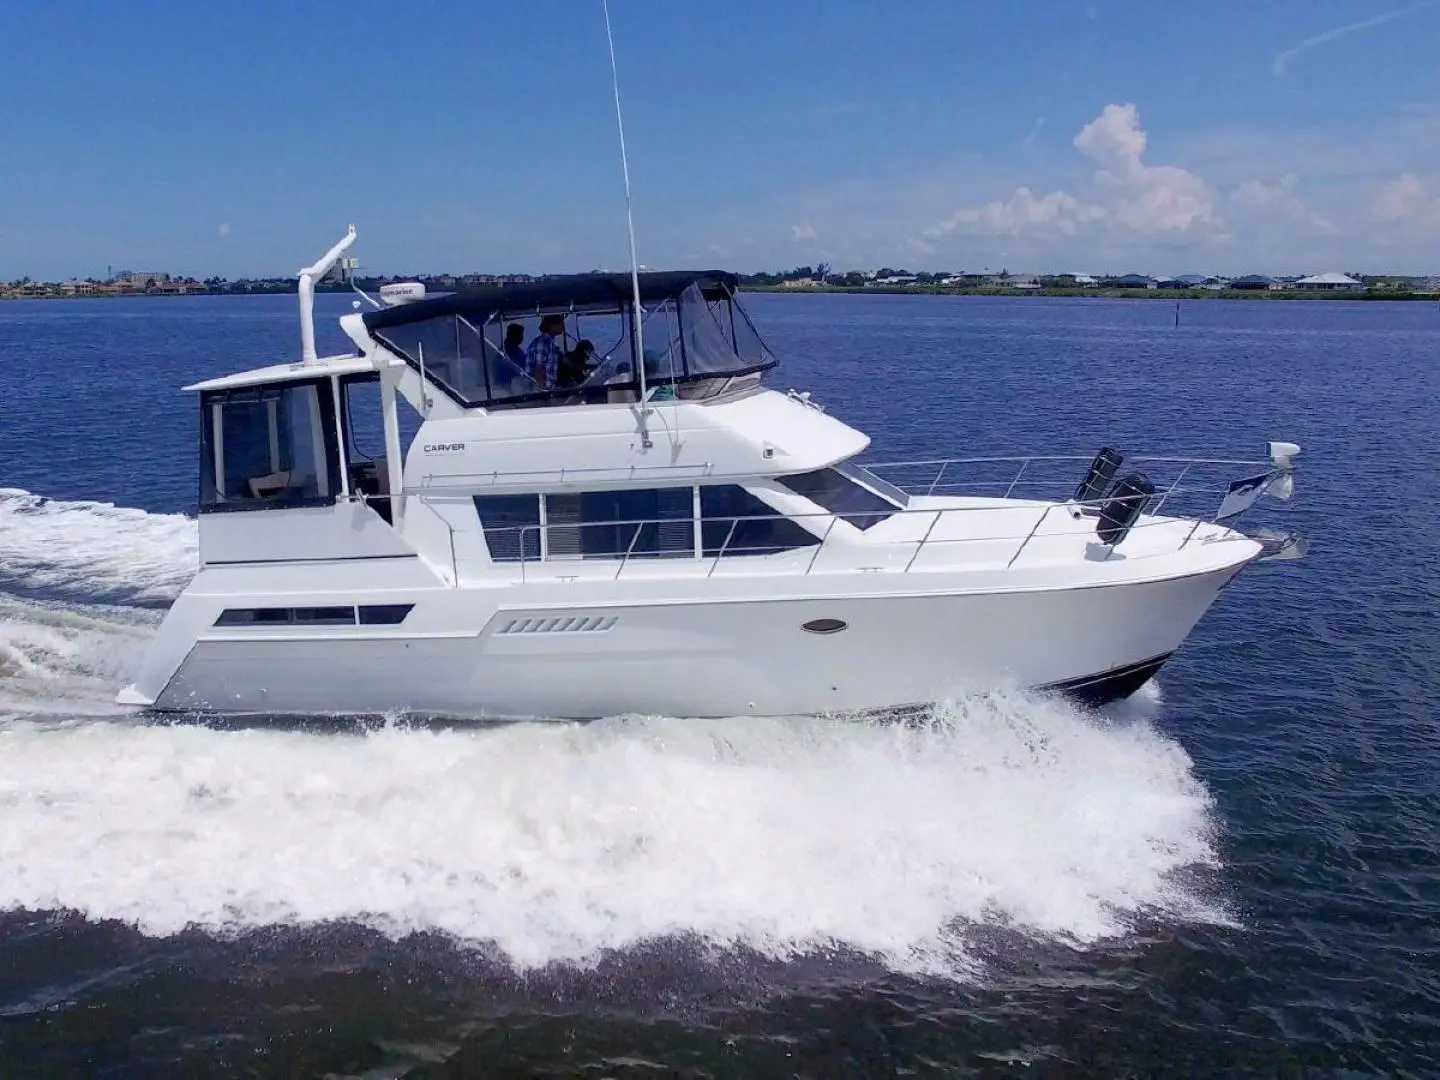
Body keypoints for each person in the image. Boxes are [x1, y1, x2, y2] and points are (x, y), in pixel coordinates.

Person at [525, 314, 565, 388]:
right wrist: (544, 395)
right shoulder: (542, 343)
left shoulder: (549, 343)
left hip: (552, 389)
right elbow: (537, 371)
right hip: (545, 392)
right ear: (552, 325)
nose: (563, 326)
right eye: (561, 323)